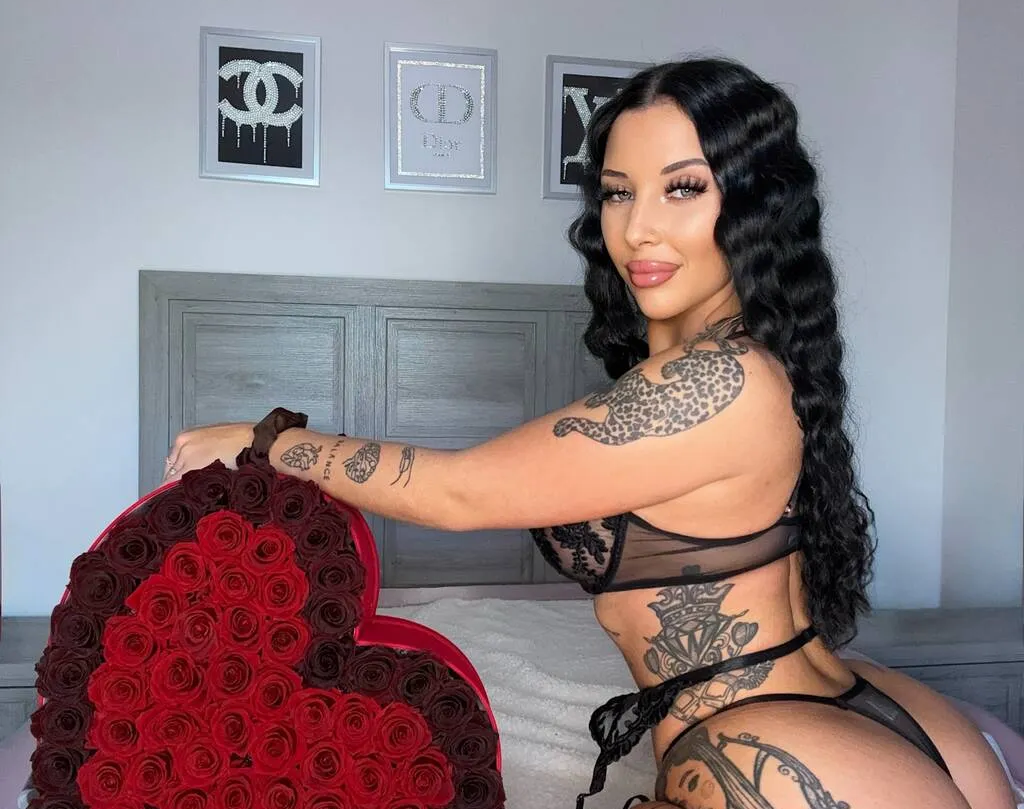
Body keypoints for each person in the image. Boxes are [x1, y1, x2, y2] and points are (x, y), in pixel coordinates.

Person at [165, 58, 1014, 809]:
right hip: (853, 710)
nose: (637, 227)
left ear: (754, 204)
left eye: (683, 187)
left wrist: (264, 438)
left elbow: (460, 491)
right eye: (617, 191)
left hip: (774, 745)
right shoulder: (743, 363)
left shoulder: (720, 380)